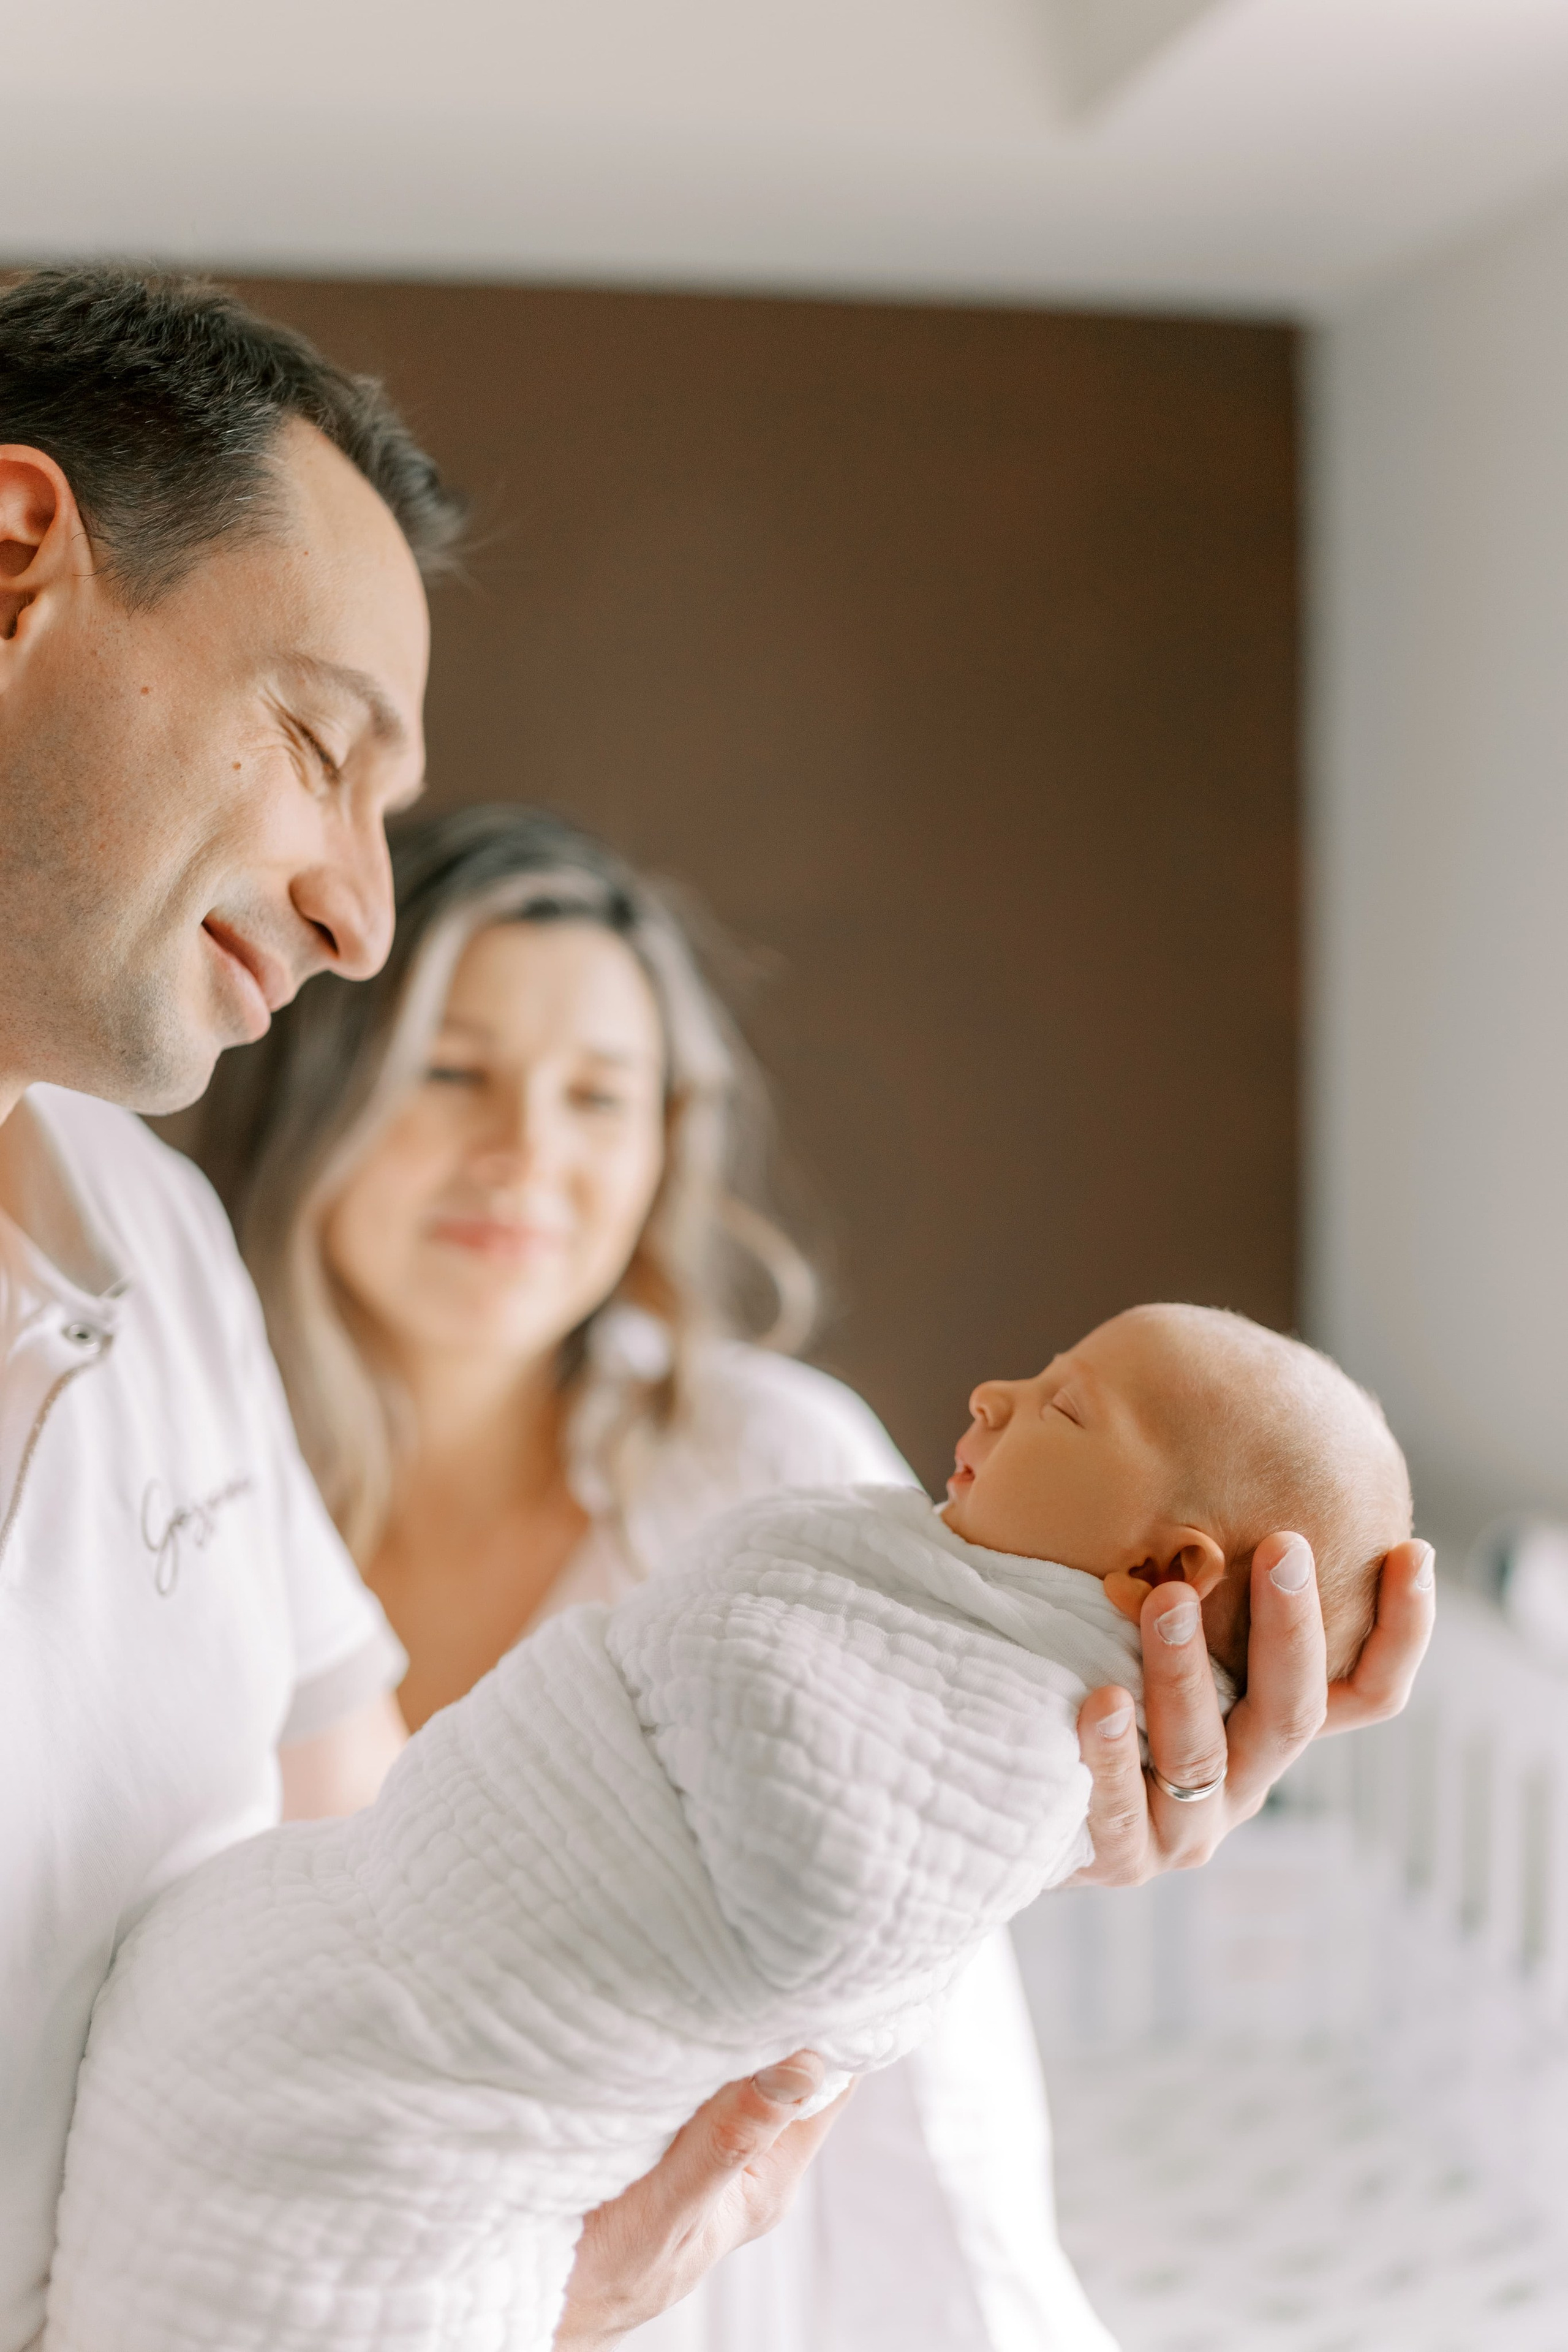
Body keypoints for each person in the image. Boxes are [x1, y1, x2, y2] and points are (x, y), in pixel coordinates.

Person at [0, 264, 1435, 2352]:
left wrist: (1008, 1811)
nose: (354, 909)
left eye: (599, 1099)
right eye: (318, 744)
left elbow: (384, 1933)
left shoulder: (156, 1253)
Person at [185, 799, 1118, 2349]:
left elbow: (928, 2101)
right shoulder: (171, 1476)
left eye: (600, 1098)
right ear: (315, 1086)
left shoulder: (769, 1477)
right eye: (453, 1073)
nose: (527, 1157)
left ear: (663, 1143)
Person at [44, 1303, 1417, 2352]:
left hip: (468, 2174)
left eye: (1060, 1408)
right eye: (456, 1066)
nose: (992, 1395)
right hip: (293, 1977)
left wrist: (1047, 1844)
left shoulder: (979, 1663)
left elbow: (847, 1920)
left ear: (1162, 1568)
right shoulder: (199, 1341)